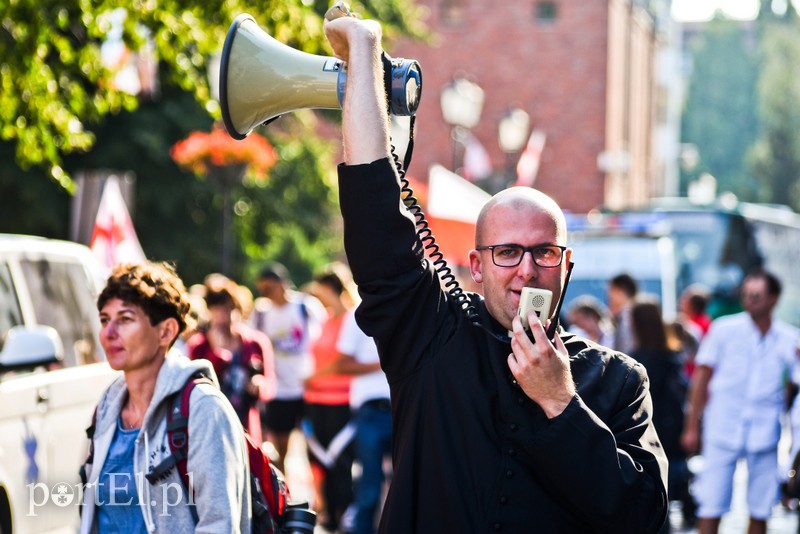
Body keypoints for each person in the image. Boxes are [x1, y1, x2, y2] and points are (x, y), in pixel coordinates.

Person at [323, 12, 668, 533]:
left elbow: (642, 515)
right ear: (477, 267)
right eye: (507, 252)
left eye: (544, 252)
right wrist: (365, 53)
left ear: (567, 267)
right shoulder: (431, 335)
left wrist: (560, 401)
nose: (527, 270)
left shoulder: (618, 379)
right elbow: (376, 224)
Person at [79, 261, 251, 533]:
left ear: (166, 331)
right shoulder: (106, 408)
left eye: (125, 319)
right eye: (104, 320)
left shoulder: (204, 409)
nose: (109, 333)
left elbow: (220, 524)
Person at [681, 269, 800, 534]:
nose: (749, 301)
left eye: (756, 296)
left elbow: (794, 388)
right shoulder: (724, 330)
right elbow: (701, 378)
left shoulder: (788, 338)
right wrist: (691, 427)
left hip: (765, 432)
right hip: (722, 427)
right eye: (746, 295)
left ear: (773, 298)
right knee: (710, 504)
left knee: (761, 508)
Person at [253, 261, 327, 473]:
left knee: (315, 448)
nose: (266, 294)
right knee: (280, 449)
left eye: (269, 288)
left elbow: (326, 338)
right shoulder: (261, 313)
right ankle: (283, 488)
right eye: (262, 290)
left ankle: (317, 490)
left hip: (308, 388)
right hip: (278, 390)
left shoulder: (306, 307)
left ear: (282, 284)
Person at [629, 296, 693, 532]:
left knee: (654, 497)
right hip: (672, 429)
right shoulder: (672, 355)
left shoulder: (637, 360)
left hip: (649, 432)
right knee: (670, 487)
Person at [187, 274, 275, 442]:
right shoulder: (199, 345)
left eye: (228, 309)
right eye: (216, 310)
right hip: (211, 426)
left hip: (246, 425)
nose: (223, 316)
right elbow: (193, 387)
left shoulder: (256, 342)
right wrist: (217, 353)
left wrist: (259, 384)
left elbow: (270, 384)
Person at [303, 264, 357, 532]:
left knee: (339, 460)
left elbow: (342, 361)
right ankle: (328, 512)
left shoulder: (352, 318)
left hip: (340, 400)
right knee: (319, 459)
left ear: (329, 288)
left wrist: (314, 375)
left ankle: (342, 513)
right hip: (315, 399)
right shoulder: (324, 319)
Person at [335, 300, 392, 534]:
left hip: (405, 408)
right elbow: (342, 364)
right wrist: (385, 362)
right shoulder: (356, 315)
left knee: (411, 485)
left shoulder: (413, 306)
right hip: (371, 410)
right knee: (369, 487)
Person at [607, 272, 638, 354]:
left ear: (619, 291)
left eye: (611, 291)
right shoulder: (625, 315)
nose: (609, 297)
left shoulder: (628, 317)